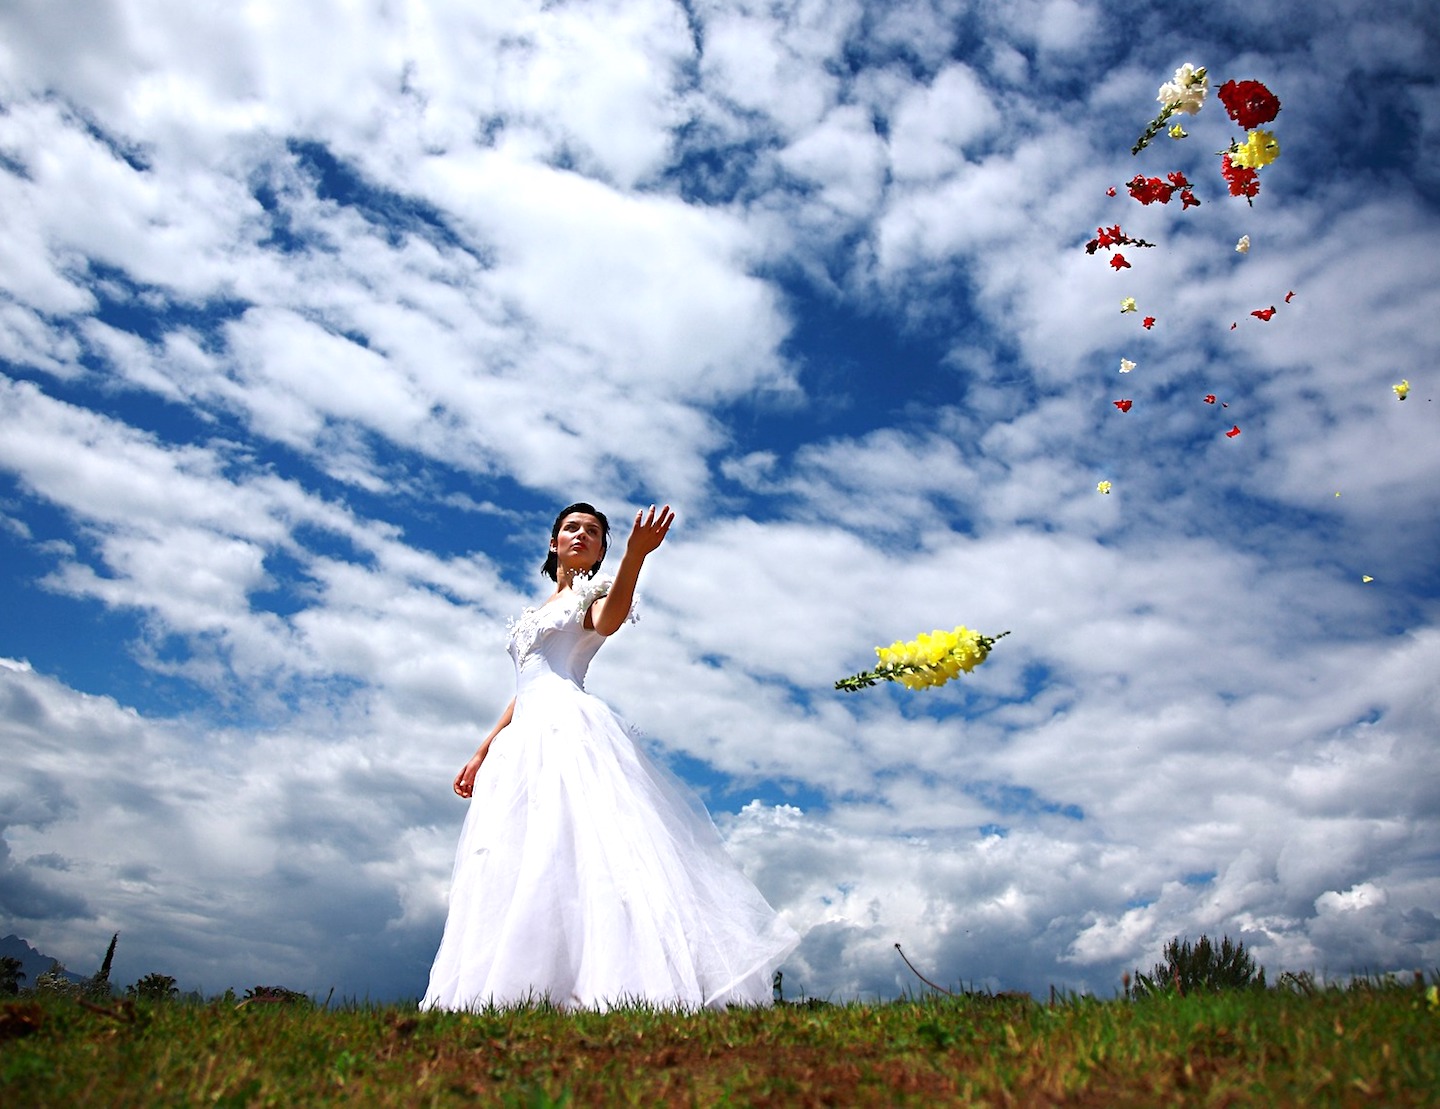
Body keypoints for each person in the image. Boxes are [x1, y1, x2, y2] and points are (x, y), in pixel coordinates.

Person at [422, 502, 799, 1010]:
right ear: (553, 541)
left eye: (594, 532)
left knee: (577, 853)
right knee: (517, 858)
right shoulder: (534, 613)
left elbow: (608, 621)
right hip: (522, 739)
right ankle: (520, 991)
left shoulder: (594, 594)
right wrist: (482, 749)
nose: (582, 535)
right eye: (571, 528)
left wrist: (636, 557)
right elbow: (527, 683)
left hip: (569, 731)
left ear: (601, 551)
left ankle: (607, 987)